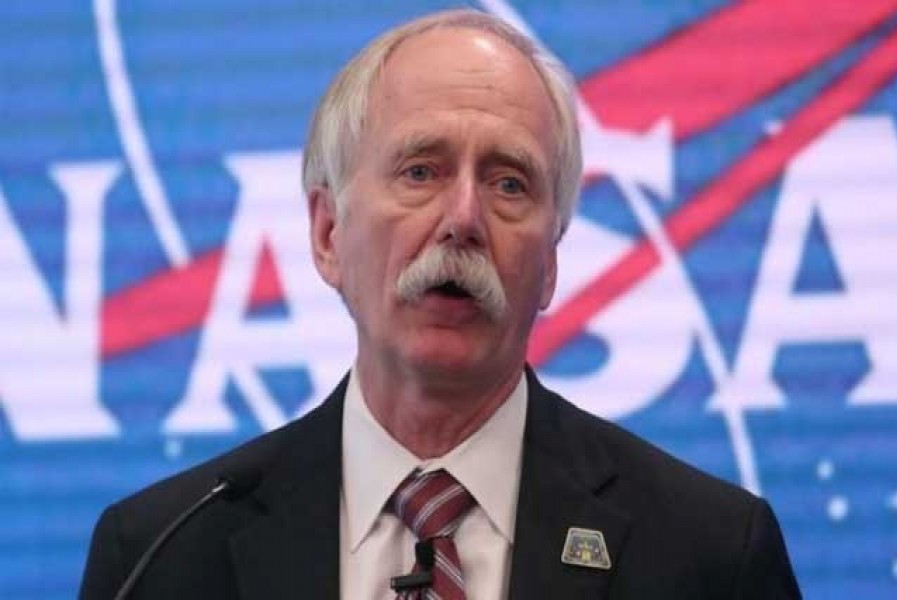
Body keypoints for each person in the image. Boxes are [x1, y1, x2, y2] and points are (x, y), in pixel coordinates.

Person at [79, 9, 801, 599]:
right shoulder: (160, 558)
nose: (463, 217)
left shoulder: (711, 557)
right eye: (420, 170)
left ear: (550, 263)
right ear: (328, 234)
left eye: (509, 182)